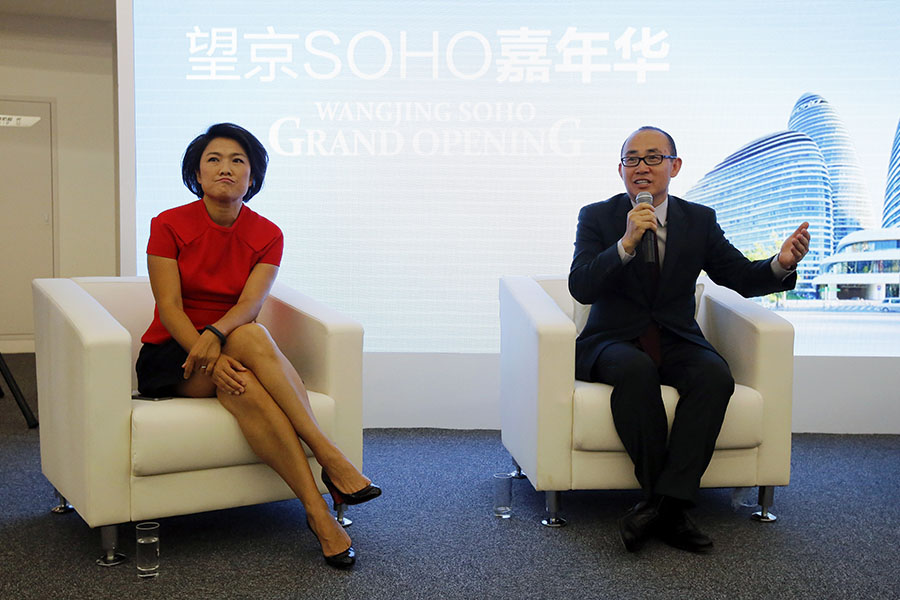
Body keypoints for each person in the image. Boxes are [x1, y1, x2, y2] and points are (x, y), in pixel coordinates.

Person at [136, 122, 380, 569]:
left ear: (253, 176)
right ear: (196, 172)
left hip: (231, 342)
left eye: (238, 161)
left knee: (246, 358)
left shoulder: (267, 233)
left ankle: (316, 512)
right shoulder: (167, 224)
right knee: (244, 344)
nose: (225, 169)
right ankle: (330, 458)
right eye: (213, 159)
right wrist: (205, 348)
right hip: (173, 353)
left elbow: (250, 304)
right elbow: (169, 308)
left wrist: (217, 338)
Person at [568, 126, 810, 553]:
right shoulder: (598, 216)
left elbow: (737, 275)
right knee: (635, 370)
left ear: (674, 166)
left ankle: (660, 506)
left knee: (715, 375)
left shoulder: (699, 220)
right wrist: (625, 244)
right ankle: (671, 511)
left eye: (653, 158)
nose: (641, 167)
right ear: (621, 169)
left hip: (676, 337)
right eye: (632, 159)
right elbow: (581, 287)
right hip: (613, 340)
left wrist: (780, 264)